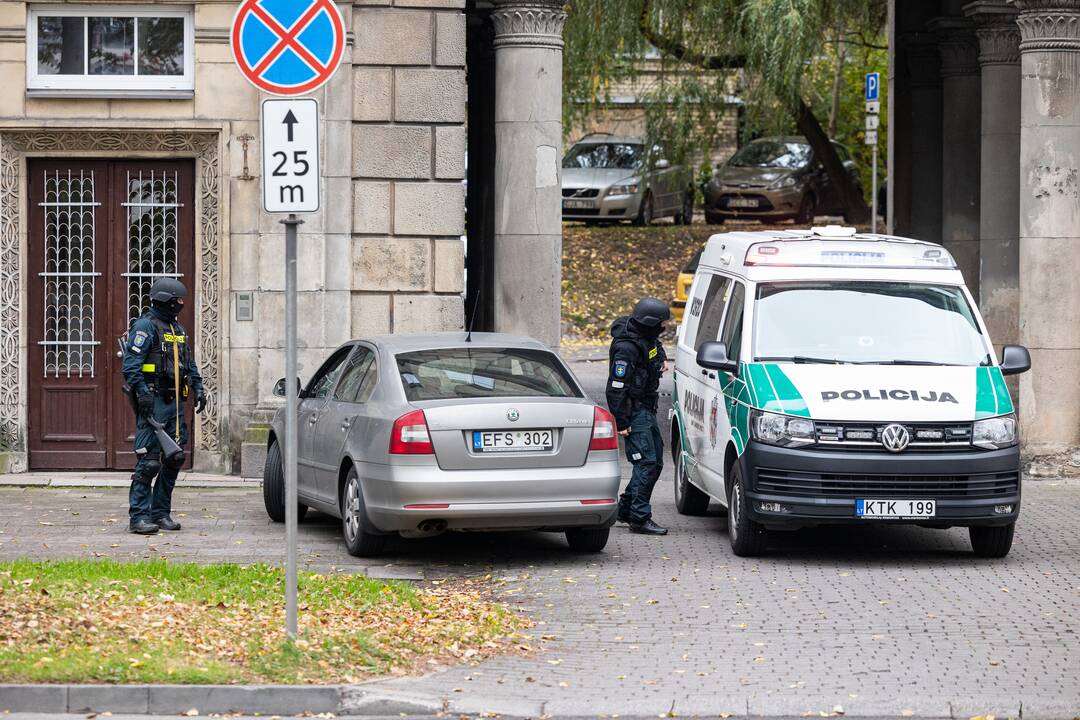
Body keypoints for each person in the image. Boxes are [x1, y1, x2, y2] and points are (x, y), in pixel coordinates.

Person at [122, 278, 206, 535]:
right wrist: (143, 393)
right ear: (165, 300)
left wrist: (198, 387)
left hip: (176, 405)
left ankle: (160, 513)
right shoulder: (145, 327)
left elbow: (188, 363)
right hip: (154, 403)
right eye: (177, 300)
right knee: (149, 462)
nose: (180, 304)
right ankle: (138, 517)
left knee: (174, 459)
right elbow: (131, 365)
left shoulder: (178, 330)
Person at [606, 297, 671, 536]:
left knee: (656, 462)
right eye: (661, 323)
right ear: (649, 322)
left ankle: (625, 509)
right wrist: (622, 422)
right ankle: (639, 518)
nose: (663, 328)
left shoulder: (645, 337)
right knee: (646, 462)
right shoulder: (626, 348)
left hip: (646, 407)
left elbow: (655, 343)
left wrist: (661, 356)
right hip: (633, 411)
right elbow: (615, 387)